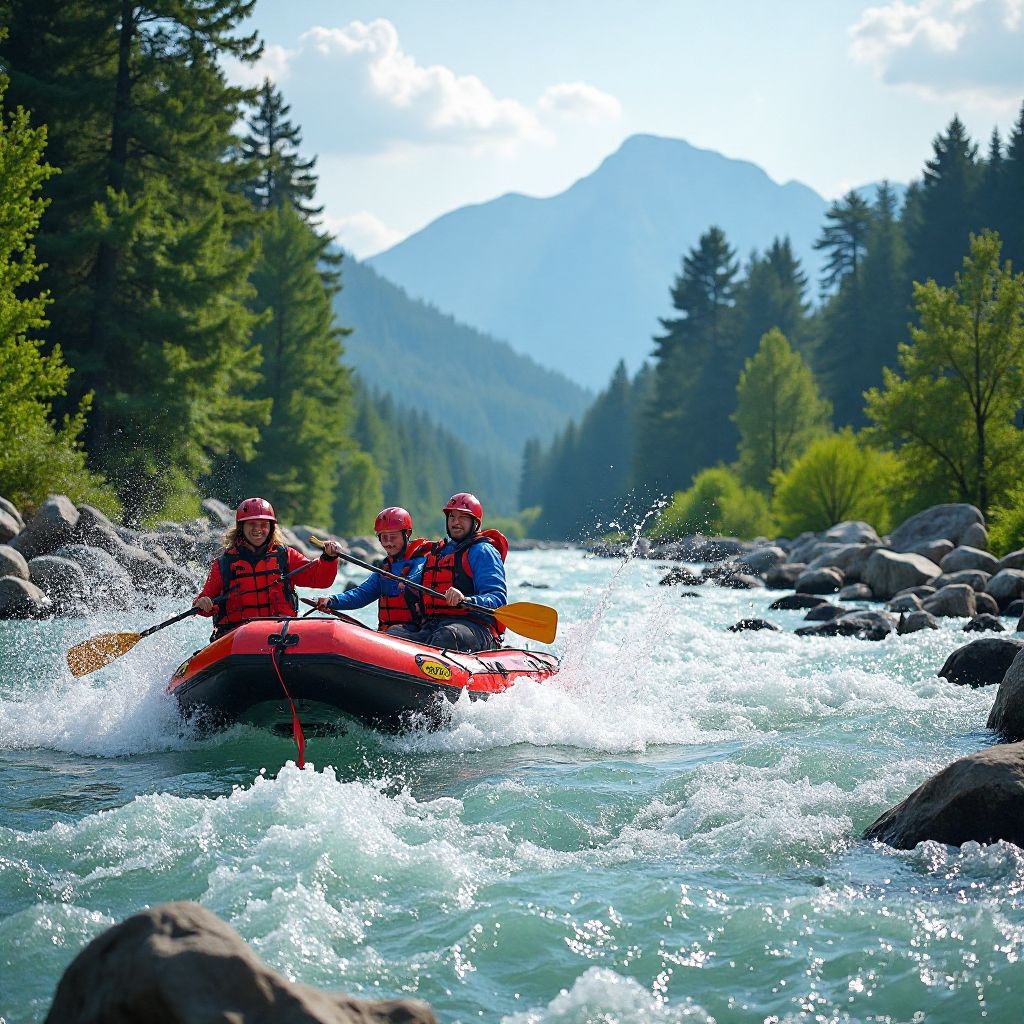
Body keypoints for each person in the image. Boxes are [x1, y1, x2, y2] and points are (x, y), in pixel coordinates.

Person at [193, 496, 342, 639]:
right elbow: (203, 603)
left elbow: (320, 580)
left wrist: (329, 559)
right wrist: (204, 603)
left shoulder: (285, 556)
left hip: (279, 633)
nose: (258, 529)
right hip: (236, 637)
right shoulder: (224, 564)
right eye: (252, 524)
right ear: (241, 527)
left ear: (271, 528)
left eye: (263, 525)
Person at [388, 492, 508, 653]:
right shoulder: (440, 552)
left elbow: (497, 599)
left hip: (476, 628)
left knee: (445, 636)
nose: (456, 522)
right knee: (394, 634)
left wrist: (467, 599)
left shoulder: (483, 551)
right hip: (434, 625)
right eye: (452, 517)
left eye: (462, 517)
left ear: (475, 522)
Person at [316, 506, 430, 632]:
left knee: (395, 632)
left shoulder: (421, 561)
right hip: (390, 632)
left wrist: (408, 582)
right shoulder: (385, 569)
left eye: (393, 537)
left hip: (418, 633)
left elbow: (417, 575)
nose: (388, 543)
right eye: (384, 537)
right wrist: (332, 600)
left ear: (407, 534)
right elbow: (361, 595)